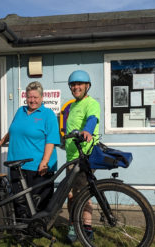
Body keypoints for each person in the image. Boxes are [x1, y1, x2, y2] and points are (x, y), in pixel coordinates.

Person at [0, 81, 60, 216]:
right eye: (30, 97)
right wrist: (2, 140)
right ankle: (22, 230)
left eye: (35, 97)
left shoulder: (48, 114)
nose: (32, 100)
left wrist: (45, 161)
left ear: (42, 98)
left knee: (38, 201)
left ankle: (39, 229)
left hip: (37, 166)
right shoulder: (20, 111)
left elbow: (51, 140)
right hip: (16, 165)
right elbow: (13, 130)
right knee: (19, 200)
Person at [65, 70, 100, 243]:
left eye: (79, 84)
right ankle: (73, 225)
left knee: (84, 195)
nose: (76, 87)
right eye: (73, 84)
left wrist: (88, 130)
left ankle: (87, 229)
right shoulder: (72, 106)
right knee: (71, 195)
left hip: (84, 157)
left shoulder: (91, 103)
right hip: (71, 157)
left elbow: (92, 119)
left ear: (87, 86)